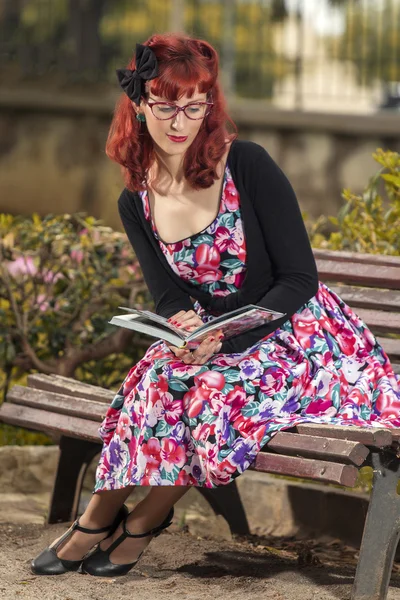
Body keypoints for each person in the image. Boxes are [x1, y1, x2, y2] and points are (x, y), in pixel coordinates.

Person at [31, 32, 400, 578]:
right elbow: (169, 292)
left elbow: (299, 280)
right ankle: (103, 514)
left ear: (208, 107)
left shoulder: (245, 165)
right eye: (165, 106)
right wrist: (184, 324)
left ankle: (139, 520)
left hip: (303, 338)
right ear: (138, 104)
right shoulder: (136, 199)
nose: (180, 122)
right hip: (222, 341)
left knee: (203, 388)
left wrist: (221, 338)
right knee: (153, 378)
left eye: (193, 107)